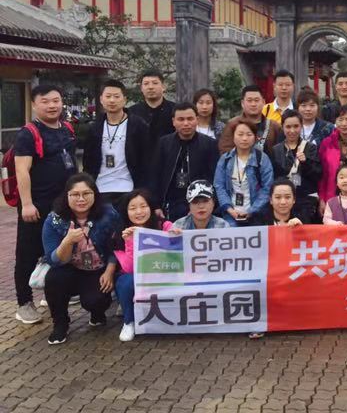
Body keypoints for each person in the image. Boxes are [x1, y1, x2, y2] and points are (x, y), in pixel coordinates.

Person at [13, 85, 77, 325]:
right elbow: (22, 170)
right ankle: (24, 303)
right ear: (34, 104)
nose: (52, 105)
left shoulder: (67, 128)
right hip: (37, 206)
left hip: (62, 205)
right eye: (45, 101)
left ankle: (51, 294)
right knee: (28, 254)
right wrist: (27, 204)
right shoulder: (28, 134)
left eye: (56, 100)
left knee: (58, 250)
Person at [41, 173, 120, 345]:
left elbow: (118, 246)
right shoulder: (55, 219)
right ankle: (60, 323)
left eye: (86, 193)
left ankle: (97, 313)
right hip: (69, 268)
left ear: (95, 194)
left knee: (96, 300)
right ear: (67, 196)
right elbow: (53, 260)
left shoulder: (108, 214)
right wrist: (67, 242)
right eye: (75, 194)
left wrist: (109, 271)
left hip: (98, 269)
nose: (81, 199)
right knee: (53, 279)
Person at [112, 189, 177, 342]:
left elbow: (178, 256)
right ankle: (129, 322)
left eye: (143, 206)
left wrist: (177, 237)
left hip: (163, 273)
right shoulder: (120, 235)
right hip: (137, 277)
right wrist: (130, 242)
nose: (139, 212)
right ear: (126, 211)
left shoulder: (165, 226)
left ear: (151, 208)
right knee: (126, 281)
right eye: (133, 208)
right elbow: (129, 268)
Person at [83, 80, 149, 209]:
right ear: (101, 99)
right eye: (108, 96)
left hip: (129, 188)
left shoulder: (138, 125)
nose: (112, 100)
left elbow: (146, 160)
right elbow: (88, 161)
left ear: (124, 100)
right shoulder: (94, 128)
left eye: (116, 96)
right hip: (100, 188)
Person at [149, 103, 219, 221]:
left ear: (197, 119)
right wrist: (155, 205)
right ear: (173, 121)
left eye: (190, 119)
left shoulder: (209, 144)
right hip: (170, 202)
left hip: (199, 202)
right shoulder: (163, 144)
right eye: (181, 119)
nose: (186, 123)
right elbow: (155, 176)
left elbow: (214, 178)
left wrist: (209, 204)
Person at [214, 120, 274, 226]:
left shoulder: (262, 159)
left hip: (257, 215)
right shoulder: (225, 159)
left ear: (255, 137)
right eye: (240, 134)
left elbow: (267, 187)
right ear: (233, 136)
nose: (244, 138)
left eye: (249, 134)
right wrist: (229, 209)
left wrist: (251, 211)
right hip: (231, 216)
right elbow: (219, 186)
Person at [272, 110, 323, 224]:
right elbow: (274, 177)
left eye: (296, 126)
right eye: (288, 127)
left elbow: (317, 175)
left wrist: (306, 162)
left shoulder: (310, 148)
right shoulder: (276, 150)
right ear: (282, 127)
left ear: (301, 126)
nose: (292, 131)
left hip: (306, 201)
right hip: (284, 200)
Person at [218, 85, 281, 155]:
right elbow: (225, 150)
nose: (253, 104)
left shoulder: (274, 126)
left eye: (256, 100)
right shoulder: (232, 124)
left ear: (263, 102)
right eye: (249, 100)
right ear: (242, 103)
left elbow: (280, 152)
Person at [128, 70, 175, 150]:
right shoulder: (132, 112)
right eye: (146, 84)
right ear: (141, 88)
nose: (150, 87)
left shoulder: (175, 110)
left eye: (155, 83)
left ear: (163, 87)